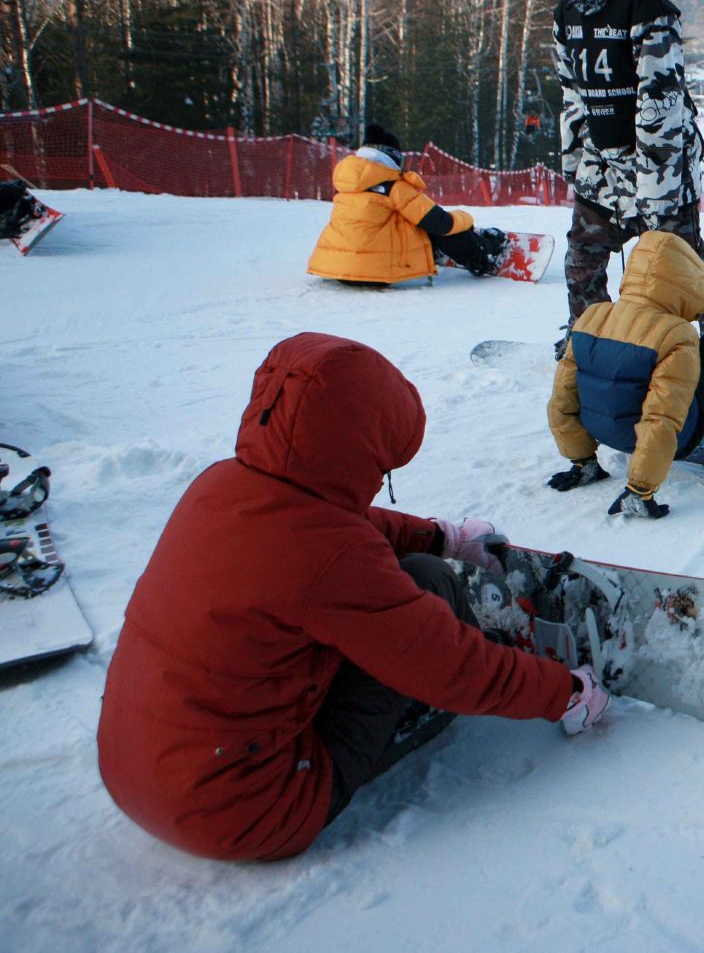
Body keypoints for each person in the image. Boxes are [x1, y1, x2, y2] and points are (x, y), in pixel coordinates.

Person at [97, 333, 608, 862]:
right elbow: (448, 665)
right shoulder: (332, 556)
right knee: (429, 585)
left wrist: (441, 535)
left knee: (412, 575)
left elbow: (327, 523)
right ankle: (471, 662)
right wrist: (562, 692)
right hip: (252, 811)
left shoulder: (221, 485)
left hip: (133, 773)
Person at [534, 0, 704, 343]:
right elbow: (573, 93)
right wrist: (576, 160)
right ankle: (590, 338)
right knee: (583, 258)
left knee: (680, 262)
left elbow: (661, 98)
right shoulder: (567, 12)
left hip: (659, 164)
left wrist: (654, 183)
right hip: (603, 165)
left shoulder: (642, 5)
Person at [546, 231, 704, 519]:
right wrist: (639, 489)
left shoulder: (591, 317)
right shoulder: (675, 334)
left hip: (604, 432)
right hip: (676, 439)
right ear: (684, 282)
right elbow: (662, 415)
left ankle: (591, 463)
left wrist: (582, 460)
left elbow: (561, 402)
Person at [306, 125, 509, 286]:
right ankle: (484, 256)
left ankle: (431, 251)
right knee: (432, 224)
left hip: (337, 269)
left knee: (402, 218)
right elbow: (441, 223)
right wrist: (466, 219)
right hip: (373, 272)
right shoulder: (394, 187)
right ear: (392, 157)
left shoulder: (346, 187)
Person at [0, 176, 44, 242]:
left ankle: (29, 209)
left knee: (9, 198)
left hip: (5, 201)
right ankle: (28, 210)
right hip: (1, 209)